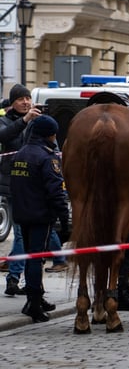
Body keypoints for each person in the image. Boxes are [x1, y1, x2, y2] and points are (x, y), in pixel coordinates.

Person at [9, 114, 70, 323]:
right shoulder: (47, 158)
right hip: (41, 216)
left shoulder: (21, 153)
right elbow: (56, 192)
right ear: (48, 135)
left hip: (22, 214)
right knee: (37, 258)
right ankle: (34, 303)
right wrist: (65, 218)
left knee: (30, 257)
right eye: (54, 134)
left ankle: (36, 296)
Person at [0, 83, 42, 297]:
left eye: (27, 98)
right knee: (20, 234)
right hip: (13, 184)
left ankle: (25, 280)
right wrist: (25, 121)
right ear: (13, 102)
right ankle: (14, 278)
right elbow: (5, 137)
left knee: (32, 236)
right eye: (20, 99)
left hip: (34, 184)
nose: (25, 102)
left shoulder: (37, 120)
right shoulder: (5, 120)